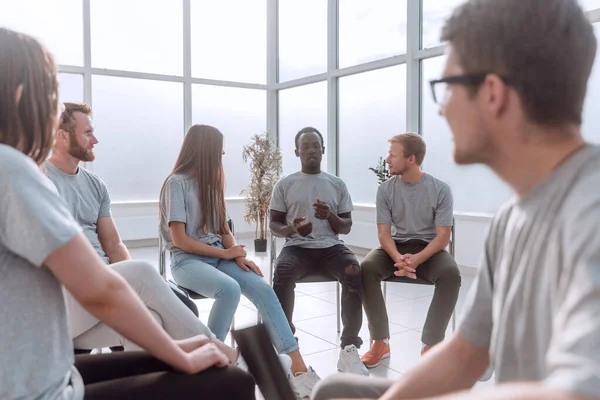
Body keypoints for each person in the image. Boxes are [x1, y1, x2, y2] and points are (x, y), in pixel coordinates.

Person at [312, 0, 600, 399]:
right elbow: (467, 354)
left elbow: (580, 390)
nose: (443, 110)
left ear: (493, 93)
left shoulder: (591, 213)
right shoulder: (511, 220)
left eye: (446, 88)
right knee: (335, 392)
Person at [0, 27, 255, 399]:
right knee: (232, 382)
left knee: (149, 313)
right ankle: (222, 355)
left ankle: (211, 351)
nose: (54, 112)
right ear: (22, 94)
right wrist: (178, 356)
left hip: (50, 363)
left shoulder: (33, 173)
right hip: (43, 390)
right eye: (52, 96)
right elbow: (98, 289)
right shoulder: (13, 170)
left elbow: (109, 253)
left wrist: (172, 349)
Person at [159, 124, 321, 399]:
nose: (222, 154)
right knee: (230, 289)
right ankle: (207, 362)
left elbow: (223, 230)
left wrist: (239, 255)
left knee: (263, 288)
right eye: (219, 150)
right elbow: (180, 239)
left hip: (218, 256)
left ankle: (299, 370)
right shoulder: (176, 183)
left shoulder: (212, 183)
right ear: (205, 150)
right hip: (186, 260)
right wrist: (225, 254)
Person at [44, 102, 200, 353]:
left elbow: (114, 245)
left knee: (169, 312)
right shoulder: (40, 181)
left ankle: (149, 387)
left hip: (107, 279)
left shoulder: (95, 185)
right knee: (143, 282)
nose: (95, 139)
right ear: (62, 136)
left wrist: (125, 284)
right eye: (87, 133)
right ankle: (223, 358)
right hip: (75, 290)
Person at [269, 126, 368, 376]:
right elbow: (274, 224)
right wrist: (293, 228)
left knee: (354, 270)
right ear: (297, 152)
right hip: (296, 248)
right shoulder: (285, 184)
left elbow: (345, 227)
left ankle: (348, 349)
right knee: (282, 271)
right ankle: (286, 345)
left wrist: (330, 216)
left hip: (331, 247)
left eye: (315, 146)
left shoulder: (336, 184)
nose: (311, 150)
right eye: (305, 146)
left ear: (323, 150)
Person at [359, 133, 461, 368]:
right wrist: (398, 258)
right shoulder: (385, 190)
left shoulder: (440, 189)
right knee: (366, 268)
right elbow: (384, 233)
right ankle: (380, 342)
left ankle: (431, 345)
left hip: (428, 249)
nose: (387, 160)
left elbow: (443, 236)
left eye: (393, 155)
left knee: (451, 274)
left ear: (411, 159)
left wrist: (416, 260)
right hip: (395, 248)